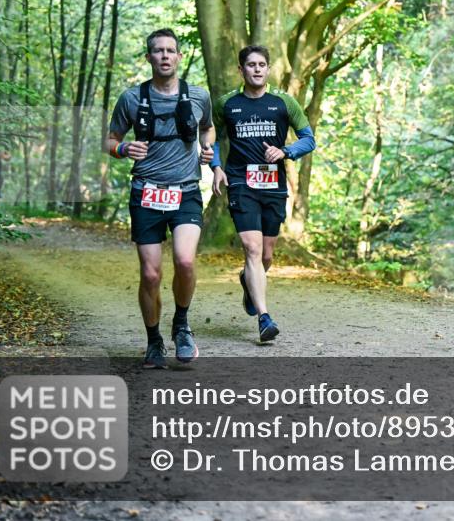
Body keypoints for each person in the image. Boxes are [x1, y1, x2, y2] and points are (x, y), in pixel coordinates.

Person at [105, 28, 215, 369]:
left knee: (185, 261)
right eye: (158, 50)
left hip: (186, 191)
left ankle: (181, 324)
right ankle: (154, 341)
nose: (165, 55)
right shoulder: (131, 99)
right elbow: (110, 140)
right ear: (149, 57)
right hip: (146, 193)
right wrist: (124, 148)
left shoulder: (198, 96)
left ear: (179, 56)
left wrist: (207, 147)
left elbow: (208, 127)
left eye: (170, 50)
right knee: (151, 275)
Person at [211, 45, 315, 342]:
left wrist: (286, 151)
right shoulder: (226, 104)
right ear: (240, 69)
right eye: (251, 65)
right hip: (240, 182)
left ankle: (248, 281)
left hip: (273, 184)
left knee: (266, 255)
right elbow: (211, 137)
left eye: (261, 65)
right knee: (253, 249)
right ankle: (264, 318)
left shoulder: (283, 102)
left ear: (268, 69)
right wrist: (216, 166)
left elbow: (308, 139)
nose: (256, 69)